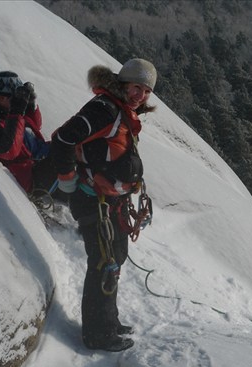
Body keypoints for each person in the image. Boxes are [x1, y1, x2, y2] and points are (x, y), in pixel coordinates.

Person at [51, 59, 157, 352]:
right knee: (103, 262)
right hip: (93, 199)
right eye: (136, 87)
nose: (140, 95)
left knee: (115, 257)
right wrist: (68, 180)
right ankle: (97, 334)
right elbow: (62, 138)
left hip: (111, 201)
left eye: (146, 91)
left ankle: (108, 321)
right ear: (123, 84)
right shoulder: (104, 109)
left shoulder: (121, 111)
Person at [0, 71, 55, 194]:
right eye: (16, 99)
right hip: (29, 173)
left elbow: (34, 126)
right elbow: (7, 151)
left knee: (74, 144)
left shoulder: (4, 109)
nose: (18, 102)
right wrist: (17, 111)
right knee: (69, 167)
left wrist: (30, 105)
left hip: (40, 152)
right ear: (1, 98)